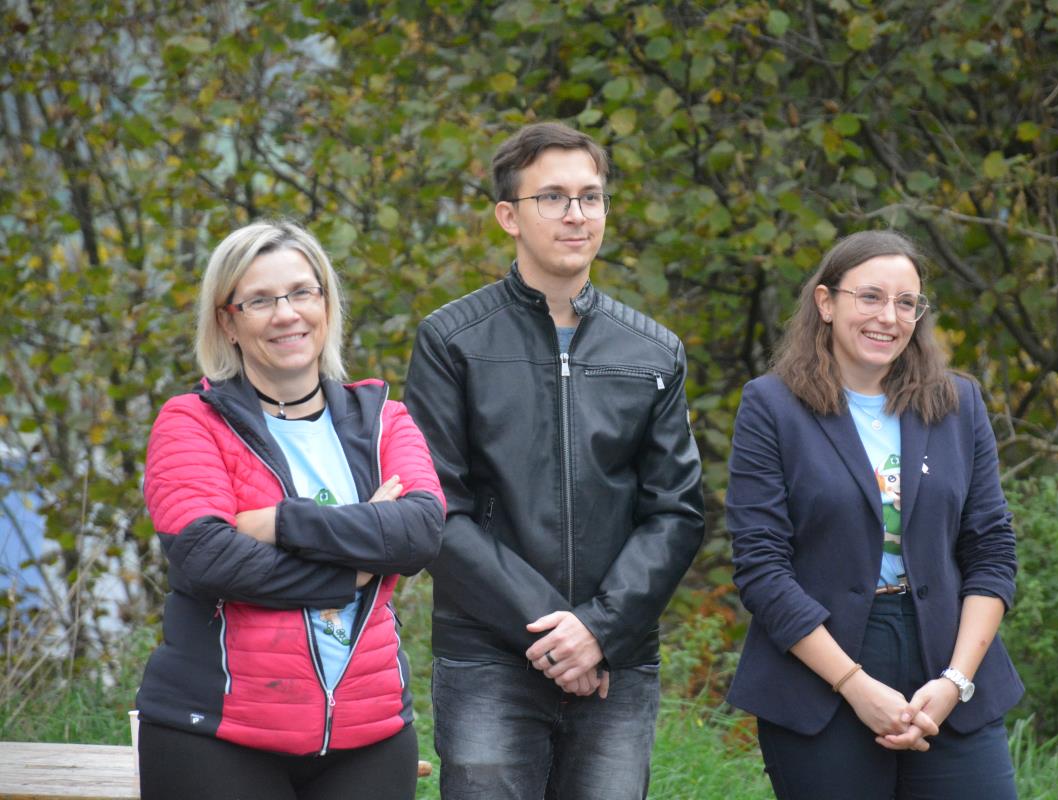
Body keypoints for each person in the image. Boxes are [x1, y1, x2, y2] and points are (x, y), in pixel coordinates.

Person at [404, 121, 706, 800]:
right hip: (487, 656)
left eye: (590, 197)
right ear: (508, 216)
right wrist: (555, 631)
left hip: (616, 660)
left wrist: (599, 629)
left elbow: (677, 512)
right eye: (553, 197)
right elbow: (436, 511)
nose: (576, 214)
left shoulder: (653, 352)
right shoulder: (452, 341)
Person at [135, 220, 445, 800]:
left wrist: (279, 522)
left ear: (325, 304)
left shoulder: (384, 419)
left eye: (302, 292)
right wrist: (355, 569)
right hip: (216, 735)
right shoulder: (192, 423)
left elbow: (420, 532)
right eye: (260, 300)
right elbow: (208, 557)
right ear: (228, 322)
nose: (286, 314)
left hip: (370, 735)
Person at [725, 230, 1022, 799]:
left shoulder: (958, 405)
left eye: (906, 302)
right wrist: (855, 685)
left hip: (948, 664)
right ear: (826, 302)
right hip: (821, 672)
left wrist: (956, 681)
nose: (888, 317)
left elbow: (991, 551)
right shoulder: (772, 407)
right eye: (870, 297)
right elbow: (762, 568)